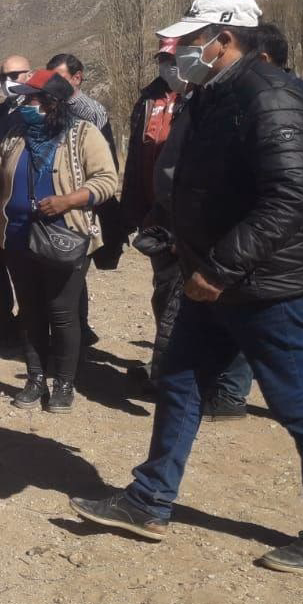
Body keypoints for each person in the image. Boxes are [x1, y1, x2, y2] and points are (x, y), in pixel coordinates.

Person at [69, 0, 303, 574]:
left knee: (302, 408)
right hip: (208, 279)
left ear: (226, 39)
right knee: (181, 385)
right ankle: (149, 501)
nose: (182, 51)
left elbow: (289, 197)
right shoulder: (207, 98)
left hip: (269, 286)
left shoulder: (273, 99)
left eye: (192, 40)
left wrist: (218, 268)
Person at [0, 69, 118, 412]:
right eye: (26, 98)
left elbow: (107, 180)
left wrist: (70, 199)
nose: (26, 104)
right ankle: (35, 379)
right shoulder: (16, 135)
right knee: (30, 312)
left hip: (66, 236)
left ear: (53, 101)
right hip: (17, 236)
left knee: (62, 314)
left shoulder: (82, 134)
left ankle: (64, 383)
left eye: (32, 98)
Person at [206, 21, 303, 421]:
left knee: (299, 322)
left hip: (297, 240)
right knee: (244, 309)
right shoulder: (238, 100)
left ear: (261, 59)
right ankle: (229, 394)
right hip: (251, 232)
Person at [119, 39, 189, 385]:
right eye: (163, 58)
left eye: (173, 58)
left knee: (184, 298)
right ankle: (166, 364)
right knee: (164, 293)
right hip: (153, 214)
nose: (167, 64)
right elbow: (136, 157)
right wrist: (131, 207)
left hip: (188, 218)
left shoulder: (200, 98)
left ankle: (173, 375)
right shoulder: (148, 99)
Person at [46, 53, 120, 346]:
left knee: (75, 268)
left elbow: (103, 166)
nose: (54, 84)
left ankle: (78, 333)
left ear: (77, 78)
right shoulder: (49, 107)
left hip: (83, 202)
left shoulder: (92, 113)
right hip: (54, 201)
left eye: (60, 78)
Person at [0, 56, 34, 343]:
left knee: (23, 270)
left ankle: (28, 329)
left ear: (30, 74)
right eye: (2, 77)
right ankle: (3, 323)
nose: (7, 82)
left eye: (14, 75)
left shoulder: (38, 110)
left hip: (22, 204)